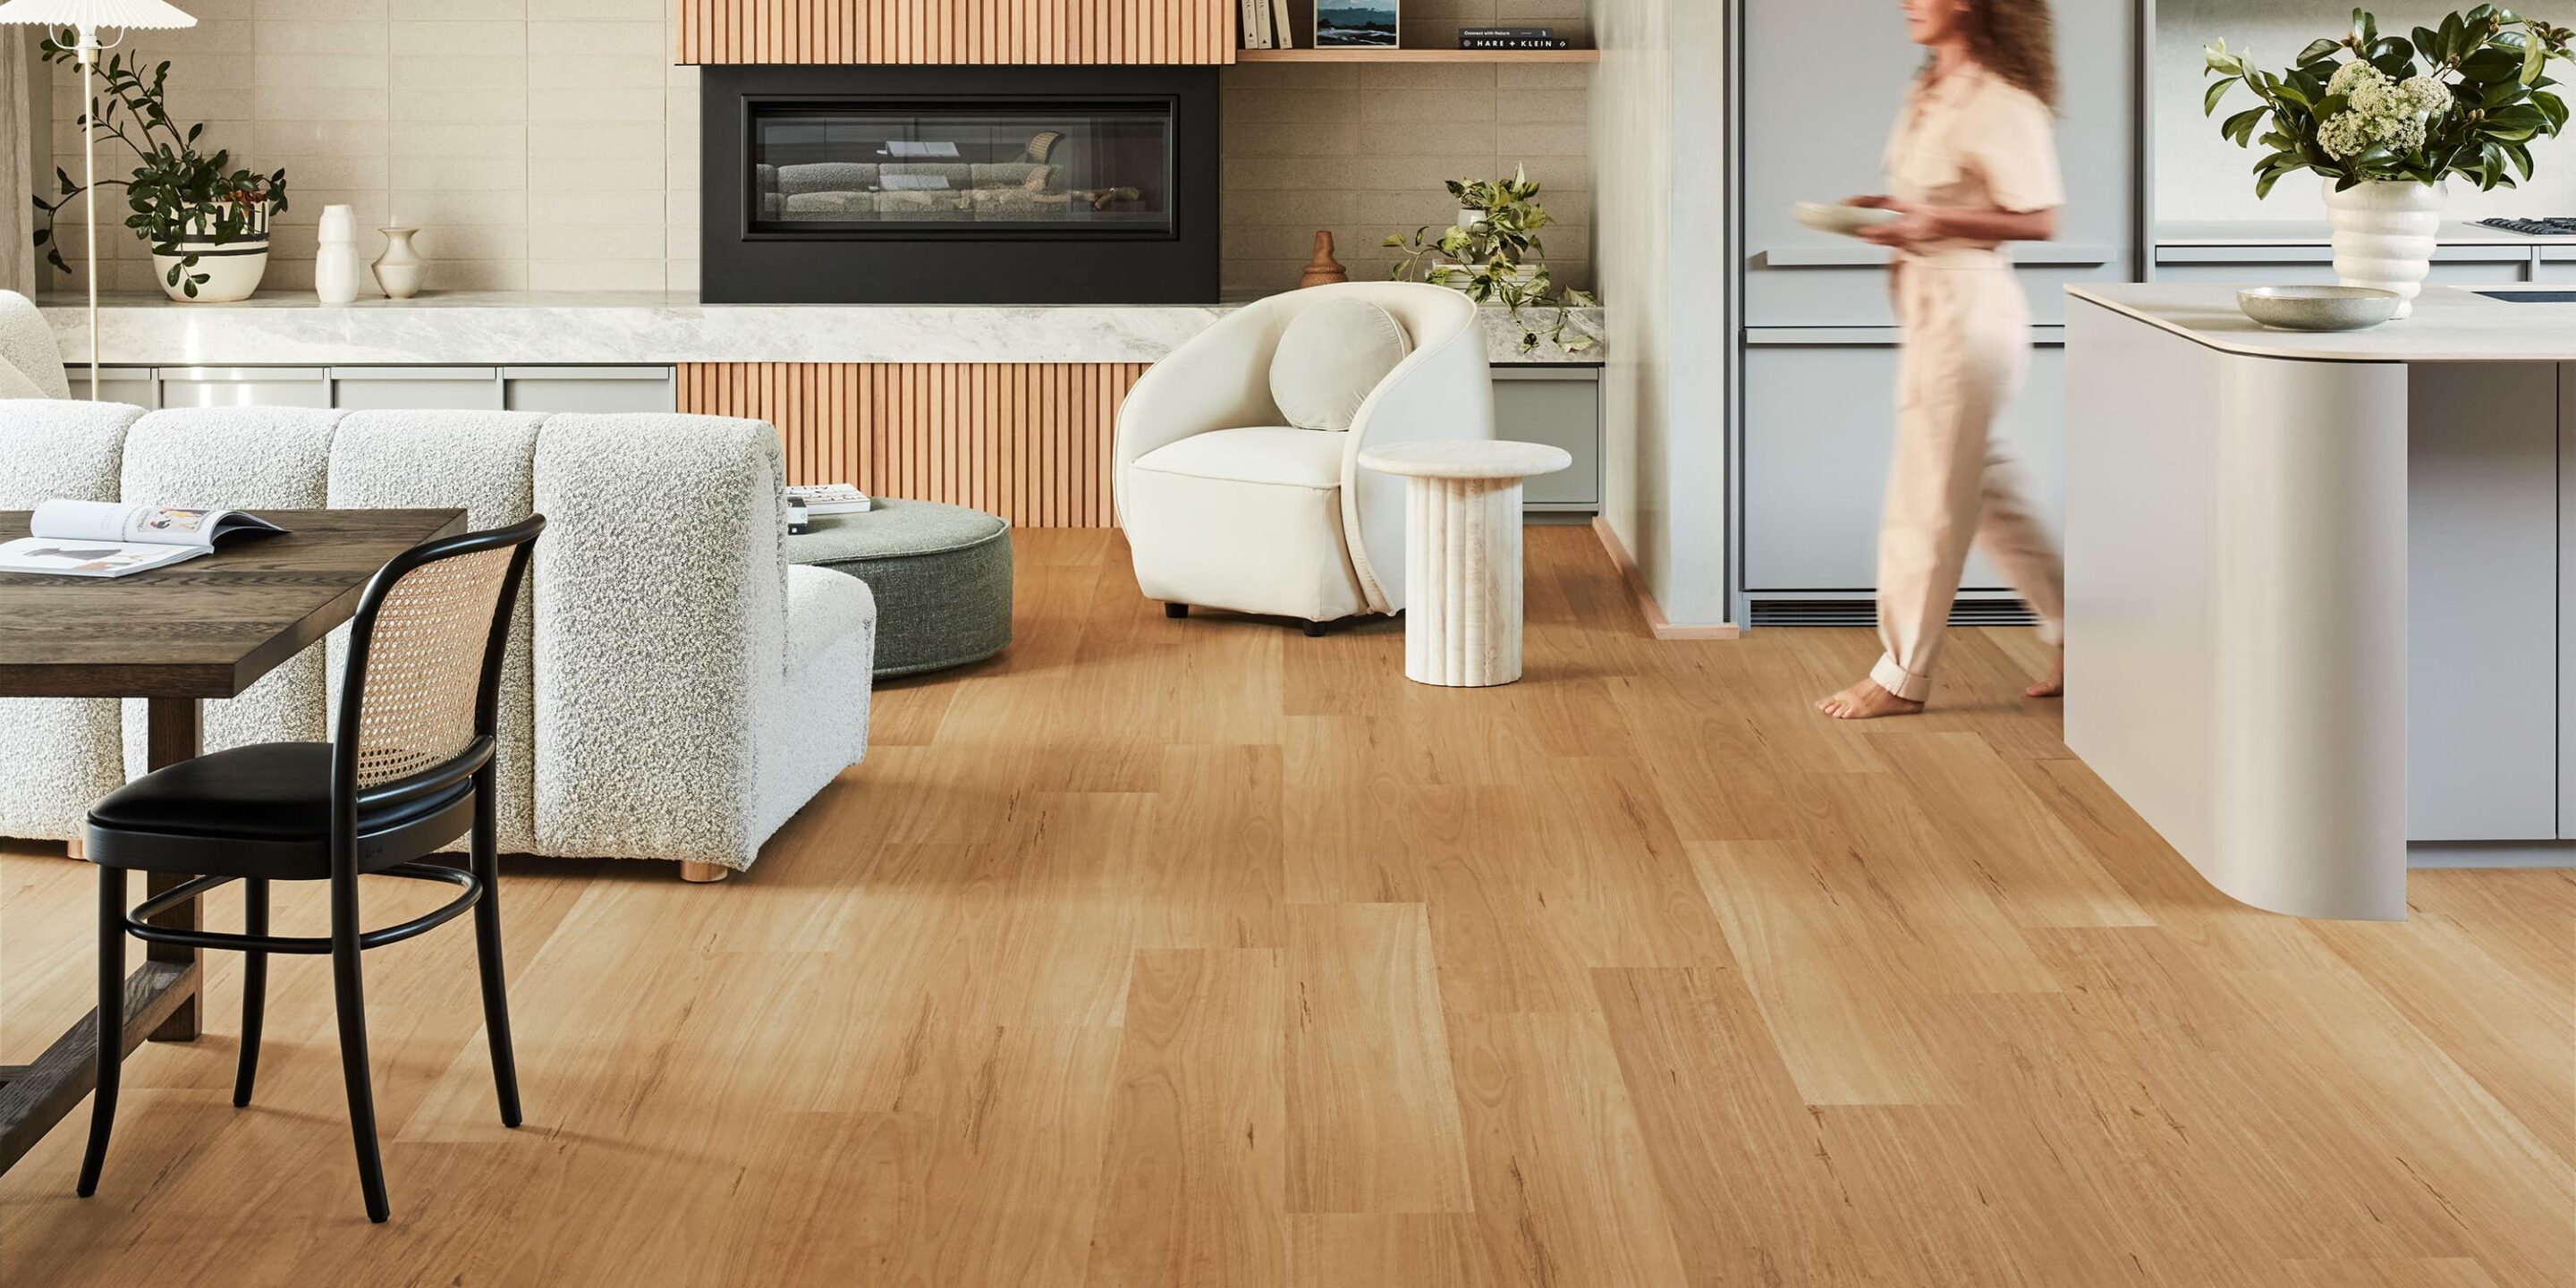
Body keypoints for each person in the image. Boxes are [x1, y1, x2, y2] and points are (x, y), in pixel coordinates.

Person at [1816, 0, 2068, 720]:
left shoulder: (2000, 99)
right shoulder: (1929, 89)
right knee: (1988, 491)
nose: (1906, 2)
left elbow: (2042, 218)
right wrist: (1891, 208)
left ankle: (1902, 674)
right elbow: (1943, 195)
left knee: (1925, 502)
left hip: (1969, 316)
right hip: (1931, 310)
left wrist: (1936, 222)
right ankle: (2084, 631)